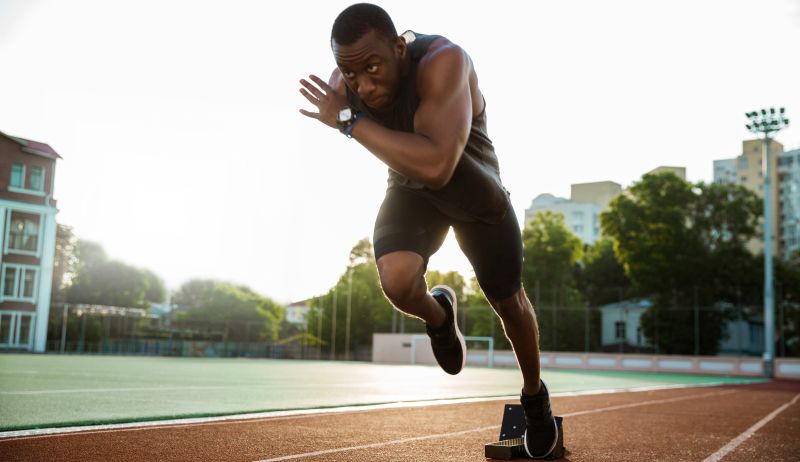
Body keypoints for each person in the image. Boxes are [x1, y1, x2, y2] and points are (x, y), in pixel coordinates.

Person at [298, 3, 558, 458]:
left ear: (400, 48)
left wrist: (348, 121)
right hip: (409, 186)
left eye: (373, 68)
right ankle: (440, 315)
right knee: (397, 282)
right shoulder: (345, 86)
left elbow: (439, 165)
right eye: (351, 75)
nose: (363, 85)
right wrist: (348, 114)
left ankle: (534, 396)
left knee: (509, 302)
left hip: (472, 187)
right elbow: (400, 154)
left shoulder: (444, 61)